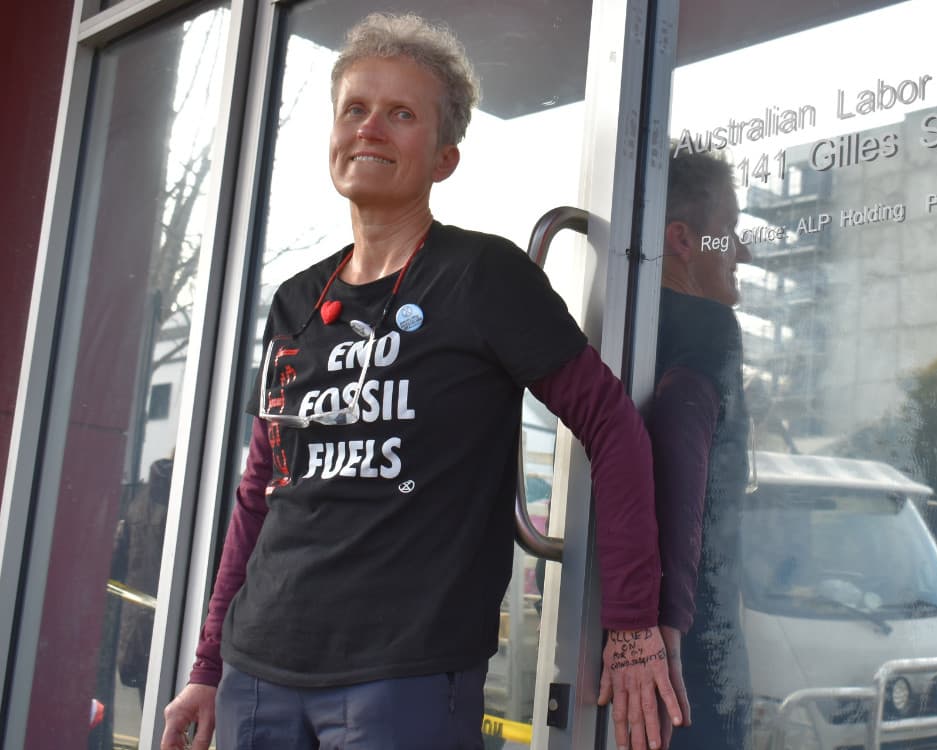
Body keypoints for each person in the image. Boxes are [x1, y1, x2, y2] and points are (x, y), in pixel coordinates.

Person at [160, 13, 680, 750]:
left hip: (402, 677)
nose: (371, 128)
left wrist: (632, 627)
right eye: (355, 109)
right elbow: (260, 489)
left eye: (401, 114)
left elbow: (613, 426)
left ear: (444, 157)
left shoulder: (483, 275)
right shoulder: (295, 300)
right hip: (259, 670)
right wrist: (208, 665)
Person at [648, 148, 753, 749]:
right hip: (697, 646)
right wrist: (671, 632)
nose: (742, 252)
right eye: (729, 231)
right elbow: (681, 462)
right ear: (683, 240)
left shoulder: (629, 328)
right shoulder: (710, 329)